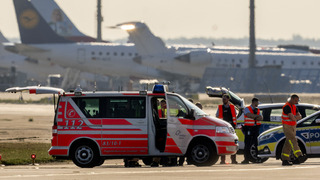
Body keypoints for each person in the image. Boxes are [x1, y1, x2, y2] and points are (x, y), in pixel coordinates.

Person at [281, 94, 307, 166]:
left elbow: (300, 116)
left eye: (297, 101)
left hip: (293, 126)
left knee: (288, 142)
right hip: (287, 126)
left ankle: (285, 159)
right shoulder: (286, 107)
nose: (296, 102)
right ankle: (299, 156)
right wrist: (296, 117)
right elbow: (293, 117)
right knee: (293, 140)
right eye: (295, 100)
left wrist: (295, 117)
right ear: (291, 99)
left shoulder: (294, 107)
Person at [216, 94, 238, 164]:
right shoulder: (220, 107)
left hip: (231, 127)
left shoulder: (232, 107)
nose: (223, 100)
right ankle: (222, 160)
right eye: (223, 99)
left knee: (233, 143)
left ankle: (233, 160)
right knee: (223, 142)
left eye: (225, 99)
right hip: (223, 128)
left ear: (228, 99)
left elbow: (235, 114)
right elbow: (217, 116)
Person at [241, 98, 263, 164]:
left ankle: (257, 158)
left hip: (256, 128)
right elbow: (248, 115)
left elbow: (261, 118)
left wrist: (254, 116)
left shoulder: (258, 110)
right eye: (257, 103)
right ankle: (246, 159)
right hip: (248, 128)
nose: (258, 104)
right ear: (254, 102)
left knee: (256, 144)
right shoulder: (247, 109)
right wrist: (256, 116)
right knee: (247, 144)